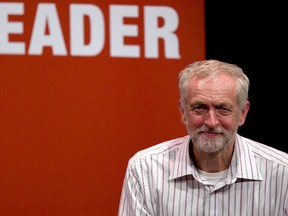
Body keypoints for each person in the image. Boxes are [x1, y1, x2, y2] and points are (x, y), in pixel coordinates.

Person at [118, 59, 288, 216]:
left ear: (243, 113)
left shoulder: (282, 172)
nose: (212, 122)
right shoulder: (145, 170)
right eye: (199, 108)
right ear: (183, 111)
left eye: (223, 109)